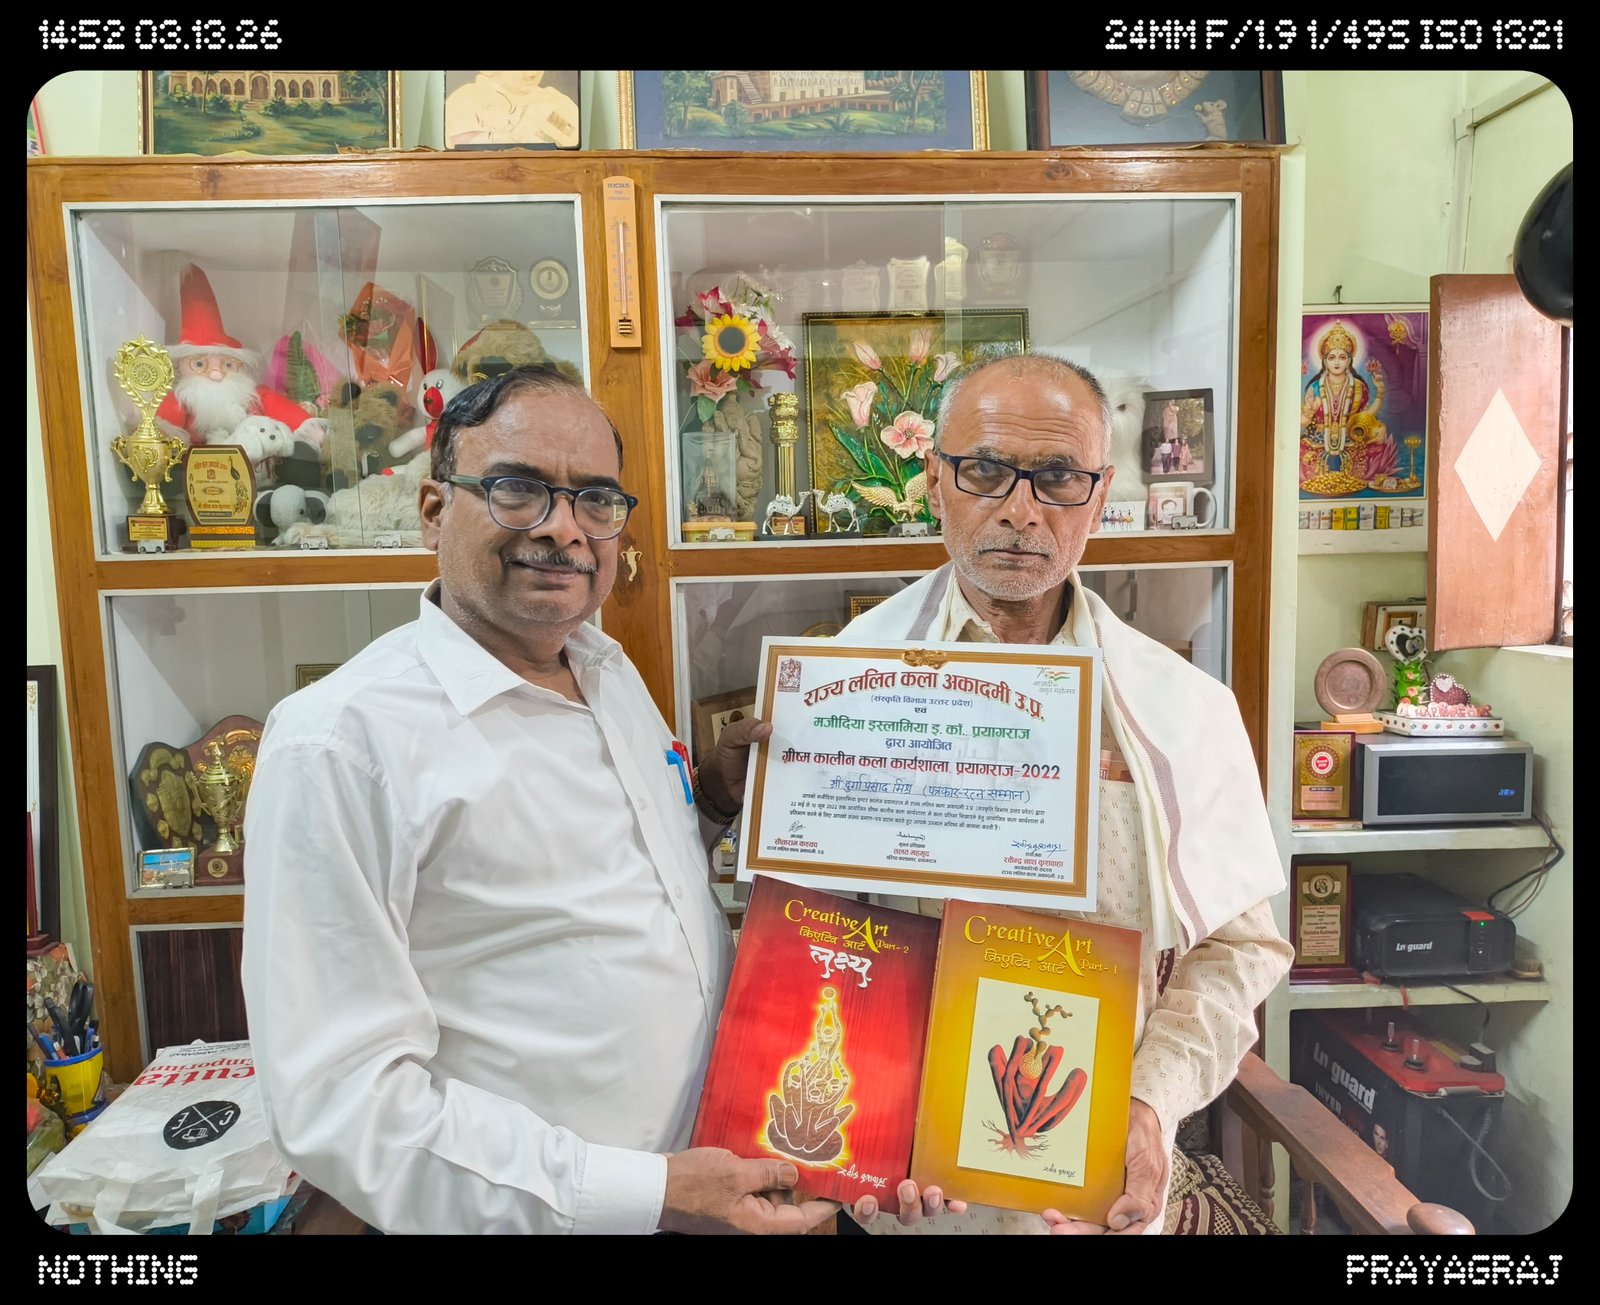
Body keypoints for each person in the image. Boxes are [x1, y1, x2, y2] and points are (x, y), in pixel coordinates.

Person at [240, 364, 835, 1236]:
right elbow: (346, 1106)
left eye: (595, 499)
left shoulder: (602, 664)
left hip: (709, 1179)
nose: (564, 528)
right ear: (434, 510)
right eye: (518, 490)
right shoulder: (339, 742)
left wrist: (710, 799)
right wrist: (650, 1190)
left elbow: (613, 878)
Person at [837, 352, 1293, 1235]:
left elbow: (1240, 950)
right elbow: (806, 933)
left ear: (1101, 492)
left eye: (1057, 477)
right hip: (903, 1184)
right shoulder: (846, 682)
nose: (1020, 509)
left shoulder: (1183, 708)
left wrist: (1149, 1105)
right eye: (984, 470)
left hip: (1100, 1178)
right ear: (933, 478)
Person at [444, 70, 580, 149]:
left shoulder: (556, 101)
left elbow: (575, 149)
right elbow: (464, 150)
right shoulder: (467, 98)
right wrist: (521, 132)